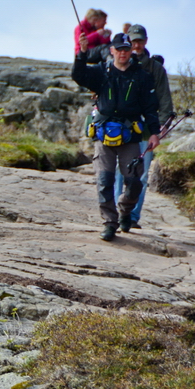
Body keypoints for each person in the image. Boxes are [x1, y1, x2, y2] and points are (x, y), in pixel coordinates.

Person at [72, 32, 161, 241]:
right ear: (112, 51)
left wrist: (154, 133)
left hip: (130, 136)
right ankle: (109, 223)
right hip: (104, 135)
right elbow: (79, 76)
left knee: (134, 181)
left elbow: (150, 108)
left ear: (131, 51)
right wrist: (82, 54)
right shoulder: (101, 72)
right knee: (105, 180)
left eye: (126, 49)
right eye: (119, 49)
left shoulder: (142, 76)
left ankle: (124, 211)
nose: (122, 53)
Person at [113, 24, 175, 229]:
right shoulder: (118, 64)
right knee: (119, 172)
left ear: (146, 41)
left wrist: (162, 126)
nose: (137, 45)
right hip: (121, 128)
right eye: (133, 41)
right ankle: (116, 213)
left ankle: (132, 217)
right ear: (127, 42)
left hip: (146, 129)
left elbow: (165, 100)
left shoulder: (156, 69)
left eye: (140, 40)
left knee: (141, 173)